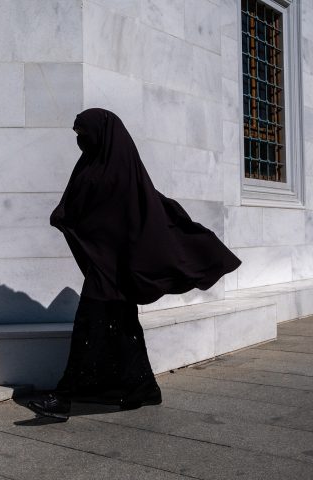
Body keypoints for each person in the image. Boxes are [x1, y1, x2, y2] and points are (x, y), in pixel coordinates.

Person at [27, 108, 242, 421]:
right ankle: (144, 388)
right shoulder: (93, 162)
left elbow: (137, 218)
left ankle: (64, 398)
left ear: (102, 133)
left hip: (115, 270)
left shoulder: (121, 169)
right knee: (124, 330)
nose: (81, 141)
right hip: (106, 268)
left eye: (83, 134)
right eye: (78, 136)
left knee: (90, 330)